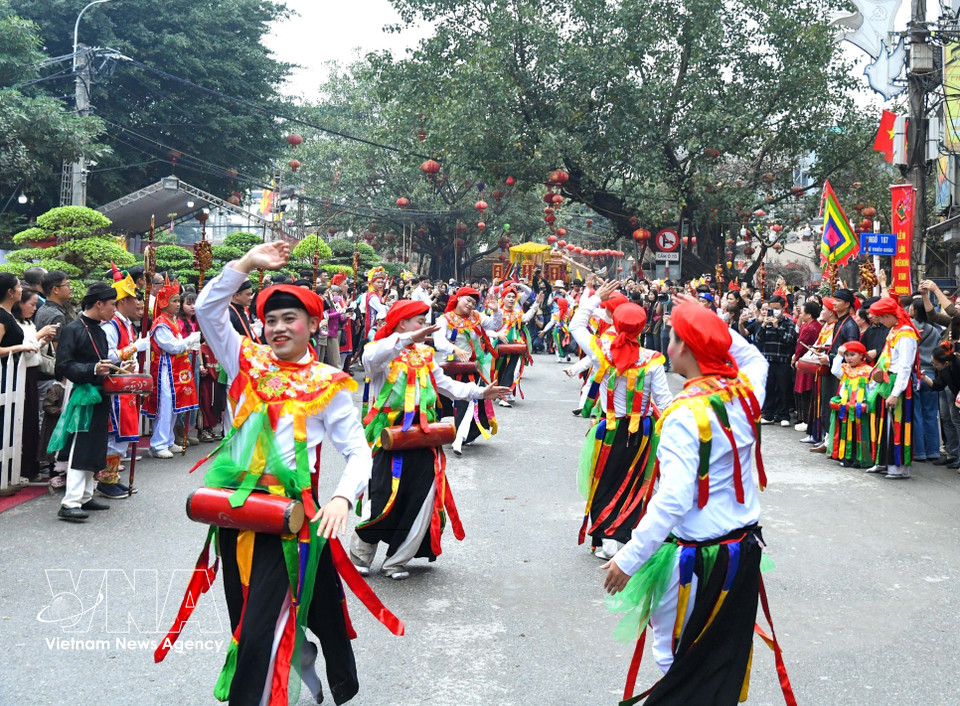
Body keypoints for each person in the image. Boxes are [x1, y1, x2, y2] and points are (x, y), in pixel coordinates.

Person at [161, 241, 401, 705]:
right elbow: (210, 309)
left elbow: (358, 453)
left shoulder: (329, 384)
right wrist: (247, 263)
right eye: (270, 319)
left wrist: (341, 498)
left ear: (314, 325)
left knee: (257, 631)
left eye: (290, 319)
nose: (277, 328)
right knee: (246, 618)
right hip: (238, 512)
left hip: (293, 521)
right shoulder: (244, 361)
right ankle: (301, 663)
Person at [601, 295, 795, 706]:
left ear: (683, 348)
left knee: (674, 657)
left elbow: (672, 499)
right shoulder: (745, 394)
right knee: (722, 656)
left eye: (672, 335)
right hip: (742, 554)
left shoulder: (685, 414)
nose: (666, 342)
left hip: (698, 563)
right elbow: (755, 358)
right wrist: (712, 323)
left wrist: (629, 558)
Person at [350, 300, 509, 579]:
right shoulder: (379, 352)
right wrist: (405, 339)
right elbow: (372, 358)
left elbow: (447, 386)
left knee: (421, 496)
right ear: (401, 324)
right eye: (419, 322)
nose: (424, 327)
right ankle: (362, 554)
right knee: (381, 494)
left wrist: (480, 393)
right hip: (389, 434)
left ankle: (397, 560)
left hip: (424, 436)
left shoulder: (425, 355)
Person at [570, 280, 672, 560]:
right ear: (643, 328)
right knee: (635, 482)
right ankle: (623, 537)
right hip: (642, 431)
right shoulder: (651, 360)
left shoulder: (601, 350)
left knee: (604, 481)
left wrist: (592, 300)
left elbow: (576, 327)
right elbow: (665, 403)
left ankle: (605, 539)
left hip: (610, 428)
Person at [51, 283, 118, 522]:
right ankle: (69, 502)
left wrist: (116, 369)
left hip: (98, 394)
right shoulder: (73, 329)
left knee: (95, 445)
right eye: (112, 305)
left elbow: (101, 363)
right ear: (99, 304)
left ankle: (85, 496)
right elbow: (63, 365)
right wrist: (92, 368)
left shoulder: (98, 329)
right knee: (81, 446)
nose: (114, 309)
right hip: (83, 395)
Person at [432, 286, 502, 455]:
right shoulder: (445, 319)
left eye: (474, 302)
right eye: (468, 300)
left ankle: (459, 437)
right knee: (439, 401)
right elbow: (439, 341)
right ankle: (431, 434)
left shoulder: (476, 317)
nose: (471, 305)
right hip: (450, 367)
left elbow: (495, 324)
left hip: (471, 368)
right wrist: (454, 349)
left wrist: (496, 311)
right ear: (458, 299)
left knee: (468, 402)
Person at [100, 267, 150, 497]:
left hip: (126, 388)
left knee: (122, 436)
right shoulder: (110, 326)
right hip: (115, 389)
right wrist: (133, 348)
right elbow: (108, 356)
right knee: (114, 435)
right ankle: (106, 480)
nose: (137, 303)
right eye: (133, 299)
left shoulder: (126, 324)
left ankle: (112, 477)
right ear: (123, 302)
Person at [142, 279, 200, 458]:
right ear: (164, 303)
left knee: (173, 405)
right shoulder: (161, 323)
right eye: (174, 301)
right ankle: (158, 444)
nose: (177, 304)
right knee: (165, 405)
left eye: (177, 301)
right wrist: (191, 339)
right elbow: (172, 347)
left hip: (174, 371)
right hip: (163, 371)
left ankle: (168, 440)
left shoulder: (171, 321)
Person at [865, 294, 919, 479]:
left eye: (880, 317)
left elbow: (905, 367)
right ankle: (882, 461)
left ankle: (898, 467)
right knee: (883, 423)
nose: (879, 321)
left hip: (898, 384)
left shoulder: (905, 335)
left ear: (888, 315)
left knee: (897, 424)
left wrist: (896, 393)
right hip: (887, 381)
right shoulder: (895, 330)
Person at [11, 287, 57, 482]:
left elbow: (33, 348)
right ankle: (23, 468)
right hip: (22, 373)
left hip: (32, 370)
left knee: (31, 419)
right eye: (31, 304)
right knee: (24, 418)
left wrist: (43, 340)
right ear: (19, 304)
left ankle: (31, 466)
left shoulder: (28, 322)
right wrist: (39, 336)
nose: (33, 309)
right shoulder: (13, 323)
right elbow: (23, 345)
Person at [827, 341, 876, 468]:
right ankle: (846, 457)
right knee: (845, 433)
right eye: (846, 355)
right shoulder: (845, 369)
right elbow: (834, 370)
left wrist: (868, 404)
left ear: (861, 355)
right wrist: (838, 355)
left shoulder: (869, 371)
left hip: (860, 408)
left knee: (860, 434)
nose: (848, 358)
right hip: (846, 407)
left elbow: (872, 390)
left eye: (852, 355)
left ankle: (860, 459)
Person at [492, 284, 541, 406]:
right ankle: (500, 392)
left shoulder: (518, 313)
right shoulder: (498, 312)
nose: (511, 299)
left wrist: (536, 304)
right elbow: (489, 327)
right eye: (508, 297)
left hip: (515, 346)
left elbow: (526, 317)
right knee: (500, 369)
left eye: (513, 297)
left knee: (513, 370)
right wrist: (497, 335)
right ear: (502, 299)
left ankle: (505, 395)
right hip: (500, 345)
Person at [754, 296, 797, 427]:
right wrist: (763, 325)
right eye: (771, 308)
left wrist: (777, 327)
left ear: (783, 308)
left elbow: (789, 340)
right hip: (768, 359)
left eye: (776, 309)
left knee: (783, 388)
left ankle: (783, 415)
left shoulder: (789, 323)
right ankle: (767, 414)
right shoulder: (765, 321)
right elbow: (758, 339)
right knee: (768, 388)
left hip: (783, 360)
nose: (773, 311)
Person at [792, 300, 822, 434]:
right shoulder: (809, 325)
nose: (800, 315)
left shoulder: (811, 327)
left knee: (805, 391)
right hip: (805, 360)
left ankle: (805, 419)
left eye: (802, 313)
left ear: (809, 315)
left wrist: (796, 357)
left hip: (807, 363)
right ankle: (802, 418)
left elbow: (801, 345)